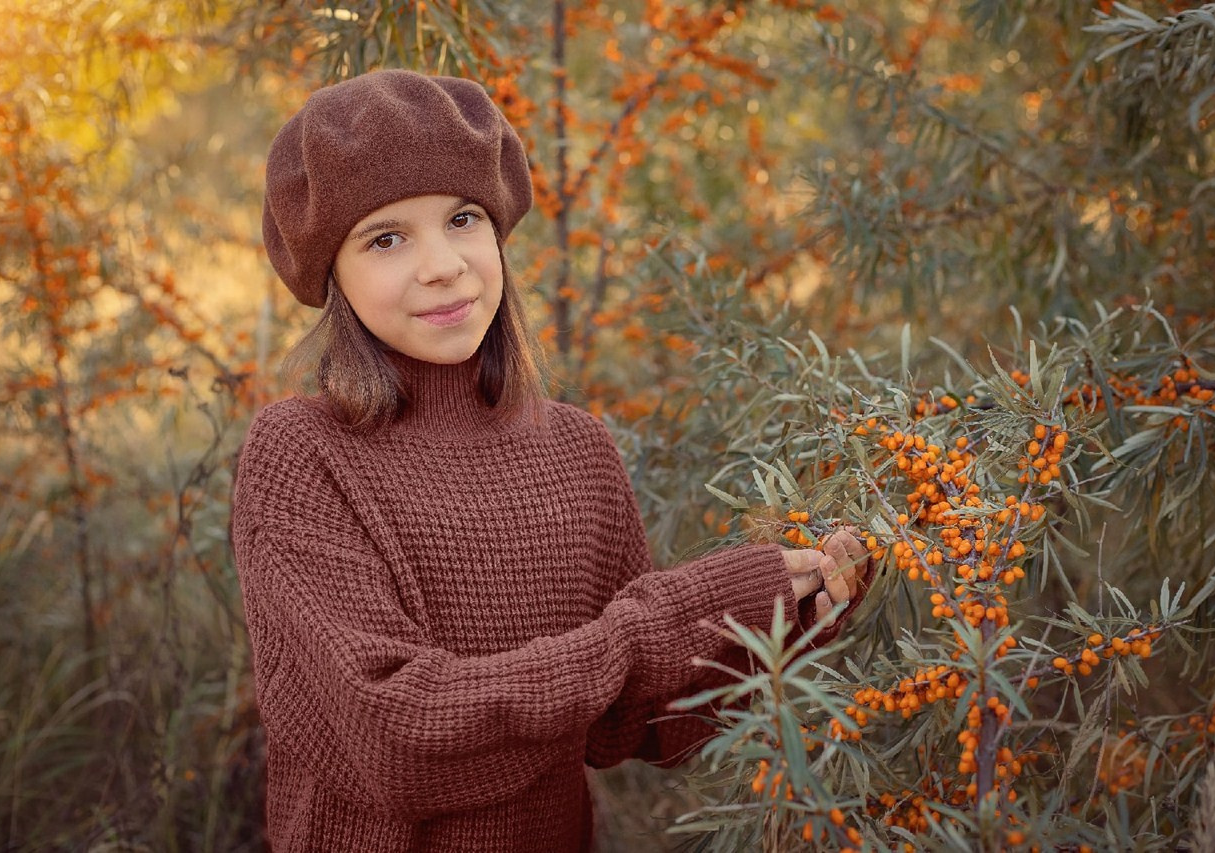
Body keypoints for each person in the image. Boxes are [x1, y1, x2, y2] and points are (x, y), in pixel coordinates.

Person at [231, 69, 875, 853]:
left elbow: (633, 720)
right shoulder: (302, 454)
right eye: (386, 238)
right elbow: (397, 738)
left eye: (463, 219)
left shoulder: (577, 450)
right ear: (330, 271)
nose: (442, 264)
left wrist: (792, 616)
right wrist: (660, 622)